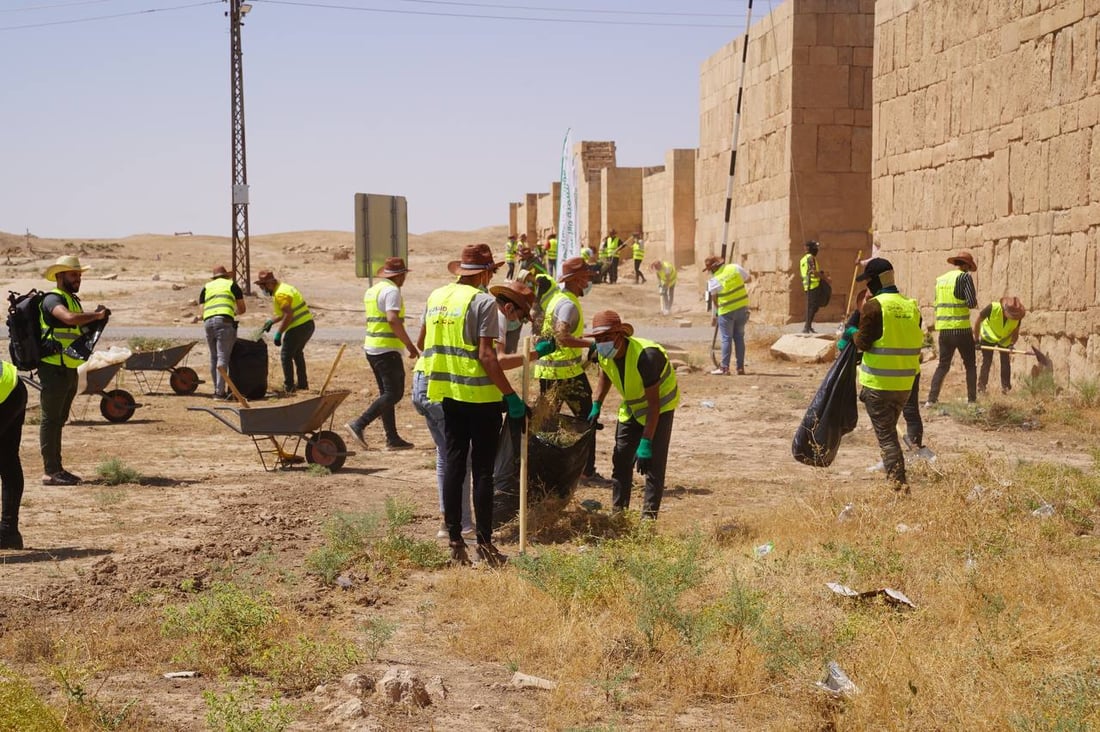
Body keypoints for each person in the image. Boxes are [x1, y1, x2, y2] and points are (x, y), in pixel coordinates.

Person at [420, 243, 524, 567]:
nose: (490, 277)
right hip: (481, 399)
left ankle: (454, 541)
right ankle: (486, 546)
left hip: (448, 393)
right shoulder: (483, 303)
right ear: (482, 272)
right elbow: (487, 356)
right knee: (482, 473)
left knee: (453, 466)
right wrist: (510, 395)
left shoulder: (436, 298)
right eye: (491, 271)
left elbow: (424, 342)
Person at [586, 311, 678, 519]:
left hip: (660, 408)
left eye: (607, 338)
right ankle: (619, 514)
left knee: (653, 464)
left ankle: (648, 520)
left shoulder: (646, 356)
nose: (602, 343)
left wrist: (646, 443)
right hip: (632, 405)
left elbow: (654, 405)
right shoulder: (602, 352)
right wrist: (596, 404)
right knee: (621, 459)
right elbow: (605, 374)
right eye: (598, 339)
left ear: (620, 335)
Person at [842, 258, 923, 489]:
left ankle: (899, 487)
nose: (867, 287)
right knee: (890, 434)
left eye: (868, 281)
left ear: (877, 280)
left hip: (878, 385)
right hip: (904, 385)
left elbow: (864, 343)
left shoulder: (873, 307)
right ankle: (896, 480)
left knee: (887, 439)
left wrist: (851, 332)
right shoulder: (911, 306)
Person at [533, 256, 607, 484]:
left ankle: (542, 470)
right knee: (588, 419)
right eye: (586, 277)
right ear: (576, 279)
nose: (589, 281)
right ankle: (586, 472)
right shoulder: (567, 304)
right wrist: (591, 345)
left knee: (546, 423)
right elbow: (562, 336)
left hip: (551, 372)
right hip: (564, 374)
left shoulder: (558, 298)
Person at [38, 255, 110, 486]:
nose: (78, 278)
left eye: (79, 274)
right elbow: (68, 319)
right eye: (73, 274)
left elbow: (75, 327)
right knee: (51, 419)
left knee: (59, 419)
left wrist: (96, 320)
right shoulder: (52, 299)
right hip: (53, 367)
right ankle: (50, 471)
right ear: (60, 276)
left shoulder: (72, 299)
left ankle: (57, 468)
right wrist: (96, 316)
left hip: (67, 367)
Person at [842, 288, 931, 461]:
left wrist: (852, 334)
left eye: (870, 297)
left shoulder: (880, 312)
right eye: (865, 299)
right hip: (905, 371)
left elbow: (863, 342)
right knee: (893, 422)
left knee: (906, 414)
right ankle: (904, 457)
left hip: (894, 376)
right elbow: (851, 341)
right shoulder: (894, 309)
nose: (867, 301)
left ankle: (911, 453)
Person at [345, 258, 418, 450]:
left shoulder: (372, 290)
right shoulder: (392, 291)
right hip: (386, 350)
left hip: (373, 348)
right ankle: (359, 424)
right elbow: (393, 320)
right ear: (400, 275)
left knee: (387, 394)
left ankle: (392, 438)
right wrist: (409, 345)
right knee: (394, 393)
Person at [926, 251, 979, 405]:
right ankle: (972, 401)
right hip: (961, 329)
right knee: (970, 365)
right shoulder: (965, 277)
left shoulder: (940, 280)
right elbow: (970, 303)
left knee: (943, 365)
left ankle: (931, 399)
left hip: (944, 330)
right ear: (967, 266)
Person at [255, 270, 315, 394]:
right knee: (297, 353)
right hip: (308, 324)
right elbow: (284, 313)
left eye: (263, 286)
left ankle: (289, 387)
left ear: (270, 284)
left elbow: (288, 315)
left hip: (298, 327)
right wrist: (271, 321)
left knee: (286, 356)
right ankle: (302, 384)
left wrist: (279, 333)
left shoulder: (280, 294)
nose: (262, 289)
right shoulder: (284, 288)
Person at [199, 265, 246, 399]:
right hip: (224, 321)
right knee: (222, 357)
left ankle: (216, 390)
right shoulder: (232, 285)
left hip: (208, 323)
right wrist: (232, 313)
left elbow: (202, 311)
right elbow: (242, 309)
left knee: (214, 357)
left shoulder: (207, 287)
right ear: (226, 276)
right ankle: (220, 393)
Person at [704, 255, 751, 375]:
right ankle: (740, 368)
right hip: (742, 308)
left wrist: (716, 315)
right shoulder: (735, 268)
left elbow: (714, 300)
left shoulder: (714, 280)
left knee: (726, 339)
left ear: (713, 269)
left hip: (726, 311)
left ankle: (724, 368)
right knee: (739, 338)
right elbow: (748, 279)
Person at [1, 359, 29, 548]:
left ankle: (8, 531)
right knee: (7, 459)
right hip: (13, 387)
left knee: (7, 459)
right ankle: (9, 532)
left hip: (6, 393)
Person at [975, 295, 1026, 395]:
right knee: (987, 361)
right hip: (988, 336)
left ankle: (1006, 388)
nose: (1013, 318)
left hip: (1004, 339)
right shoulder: (992, 308)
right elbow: (978, 321)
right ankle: (981, 388)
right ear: (1004, 310)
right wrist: (976, 340)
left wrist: (1011, 344)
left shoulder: (1017, 316)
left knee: (1005, 362)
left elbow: (1015, 332)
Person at [800, 240, 828, 333]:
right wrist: (825, 278)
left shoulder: (803, 259)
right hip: (813, 285)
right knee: (812, 307)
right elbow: (813, 272)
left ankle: (808, 326)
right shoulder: (811, 258)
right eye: (815, 248)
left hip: (808, 285)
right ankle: (806, 327)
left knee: (813, 306)